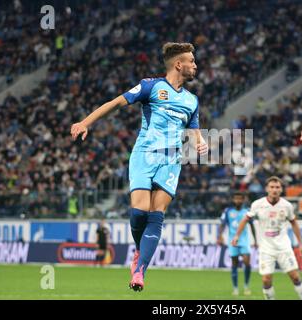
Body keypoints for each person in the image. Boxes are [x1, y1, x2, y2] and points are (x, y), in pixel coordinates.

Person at [71, 42, 208, 291]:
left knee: (157, 214)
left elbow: (194, 129)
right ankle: (139, 250)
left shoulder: (192, 100)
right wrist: (86, 121)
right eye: (191, 60)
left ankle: (139, 270)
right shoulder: (151, 87)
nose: (195, 65)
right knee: (138, 213)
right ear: (179, 64)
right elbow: (115, 103)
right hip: (144, 155)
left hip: (171, 161)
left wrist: (200, 142)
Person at [232, 176, 302, 300]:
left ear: (281, 189)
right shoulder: (258, 204)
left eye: (277, 187)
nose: (274, 190)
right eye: (272, 187)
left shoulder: (287, 206)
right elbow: (245, 219)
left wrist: (300, 244)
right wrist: (237, 235)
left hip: (283, 247)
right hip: (266, 248)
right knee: (266, 279)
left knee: (294, 276)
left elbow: (294, 222)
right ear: (267, 189)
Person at [217, 192, 258, 296]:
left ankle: (246, 286)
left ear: (243, 200)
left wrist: (256, 240)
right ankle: (235, 288)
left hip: (244, 240)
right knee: (234, 264)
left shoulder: (247, 211)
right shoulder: (228, 211)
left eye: (240, 199)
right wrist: (220, 236)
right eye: (236, 198)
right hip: (232, 241)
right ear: (233, 199)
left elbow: (252, 226)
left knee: (247, 262)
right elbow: (222, 224)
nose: (238, 201)